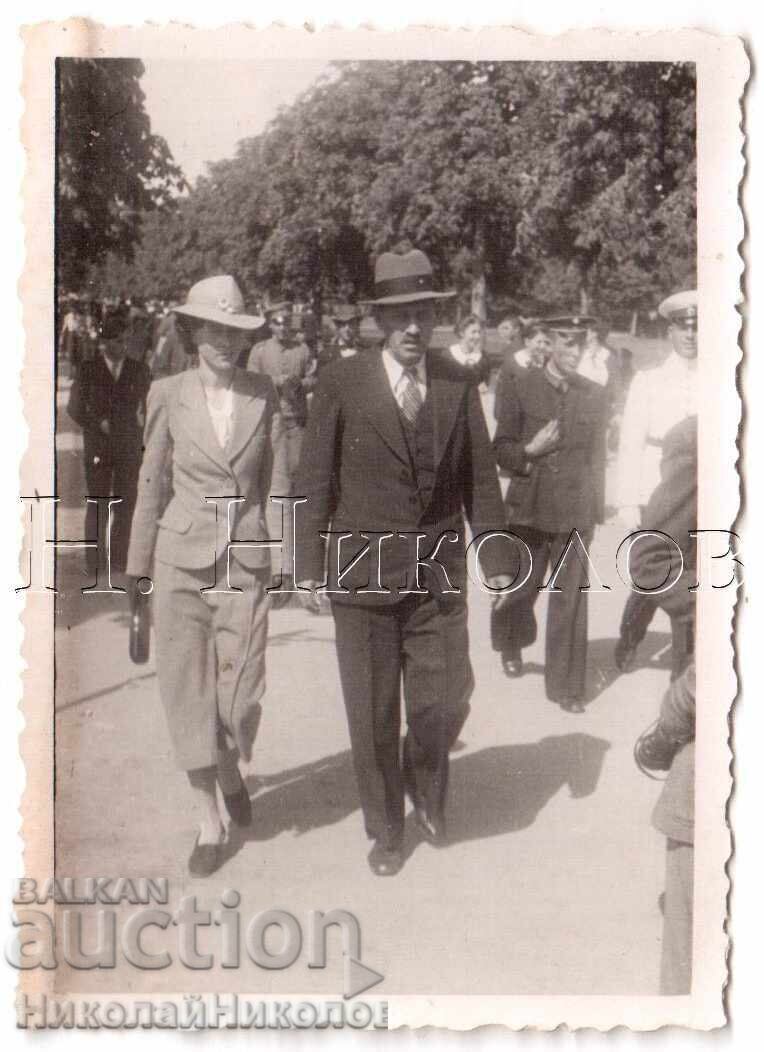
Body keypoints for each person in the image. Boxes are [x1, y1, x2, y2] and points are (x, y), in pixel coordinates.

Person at [295, 248, 512, 877]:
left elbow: (483, 481)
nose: (413, 328)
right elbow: (314, 480)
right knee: (371, 711)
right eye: (400, 318)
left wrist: (497, 559)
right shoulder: (340, 381)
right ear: (378, 324)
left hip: (438, 576)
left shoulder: (456, 381)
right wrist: (307, 564)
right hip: (362, 574)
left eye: (422, 314)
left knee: (442, 700)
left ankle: (427, 783)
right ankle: (386, 827)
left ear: (435, 316)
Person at [125, 275, 288, 877]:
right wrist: (137, 571)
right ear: (193, 331)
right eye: (212, 328)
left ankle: (227, 765)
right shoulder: (167, 392)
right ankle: (208, 820)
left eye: (234, 330)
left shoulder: (264, 393)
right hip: (178, 563)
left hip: (244, 562)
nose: (223, 341)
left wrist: (287, 560)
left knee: (242, 697)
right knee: (187, 694)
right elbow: (150, 483)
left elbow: (279, 484)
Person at [492, 316, 608, 711]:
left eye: (581, 343)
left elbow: (596, 458)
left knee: (570, 597)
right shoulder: (520, 385)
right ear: (550, 345)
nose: (575, 352)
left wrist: (594, 509)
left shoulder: (594, 393)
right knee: (523, 588)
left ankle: (567, 688)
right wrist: (529, 452)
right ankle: (510, 643)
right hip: (530, 506)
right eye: (567, 343)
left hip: (575, 508)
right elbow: (501, 448)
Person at [614, 290, 698, 672]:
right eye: (684, 327)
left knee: (691, 575)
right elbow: (630, 443)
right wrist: (628, 501)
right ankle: (630, 638)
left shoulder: (721, 378)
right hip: (656, 489)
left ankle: (685, 672)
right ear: (670, 331)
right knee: (652, 576)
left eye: (698, 328)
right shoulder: (649, 380)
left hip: (697, 494)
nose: (691, 335)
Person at [67, 306, 151, 574]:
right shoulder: (88, 369)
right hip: (99, 447)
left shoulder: (139, 369)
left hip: (129, 446)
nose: (123, 346)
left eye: (125, 340)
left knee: (126, 503)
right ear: (104, 342)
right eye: (117, 341)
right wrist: (96, 423)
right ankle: (94, 562)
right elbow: (74, 408)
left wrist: (143, 428)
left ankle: (119, 560)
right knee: (98, 502)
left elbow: (149, 406)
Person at [246, 303, 316, 491]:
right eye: (277, 323)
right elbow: (250, 382)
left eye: (286, 322)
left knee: (296, 467)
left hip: (295, 420)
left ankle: (293, 512)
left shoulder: (302, 349)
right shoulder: (259, 350)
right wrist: (276, 381)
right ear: (270, 325)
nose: (283, 327)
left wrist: (301, 383)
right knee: (266, 470)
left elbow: (313, 377)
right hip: (267, 420)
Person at [493, 321, 551, 418]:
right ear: (527, 342)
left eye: (545, 342)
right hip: (515, 416)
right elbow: (501, 394)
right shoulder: (512, 363)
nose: (542, 346)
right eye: (539, 342)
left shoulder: (547, 363)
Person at [446, 313, 491, 386]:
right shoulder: (447, 356)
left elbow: (484, 387)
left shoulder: (484, 358)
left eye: (479, 332)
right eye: (473, 332)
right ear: (461, 333)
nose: (478, 336)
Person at [317, 305, 363, 371]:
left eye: (351, 324)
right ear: (337, 326)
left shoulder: (366, 352)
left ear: (357, 325)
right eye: (343, 324)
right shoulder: (326, 355)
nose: (347, 329)